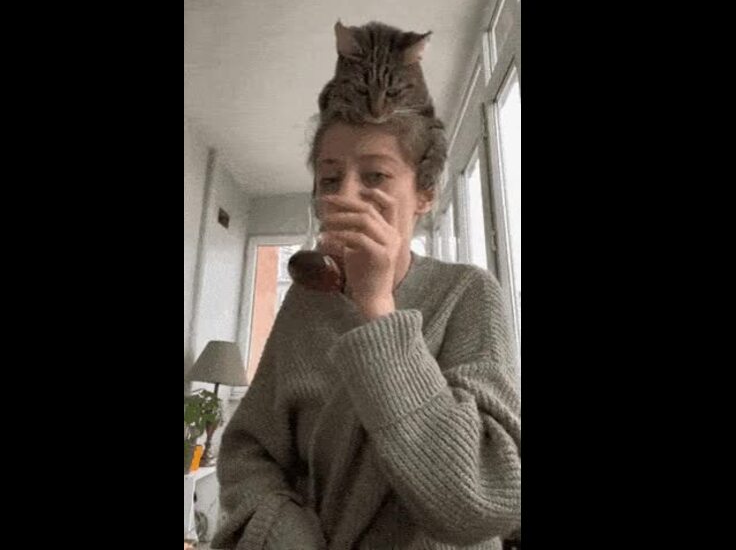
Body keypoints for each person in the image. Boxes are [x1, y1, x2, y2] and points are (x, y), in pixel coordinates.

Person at [211, 110, 521, 549]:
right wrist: (283, 534)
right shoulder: (304, 302)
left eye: (375, 175)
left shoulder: (467, 292)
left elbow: (482, 498)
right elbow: (250, 450)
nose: (345, 197)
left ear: (425, 194)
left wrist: (376, 305)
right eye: (330, 180)